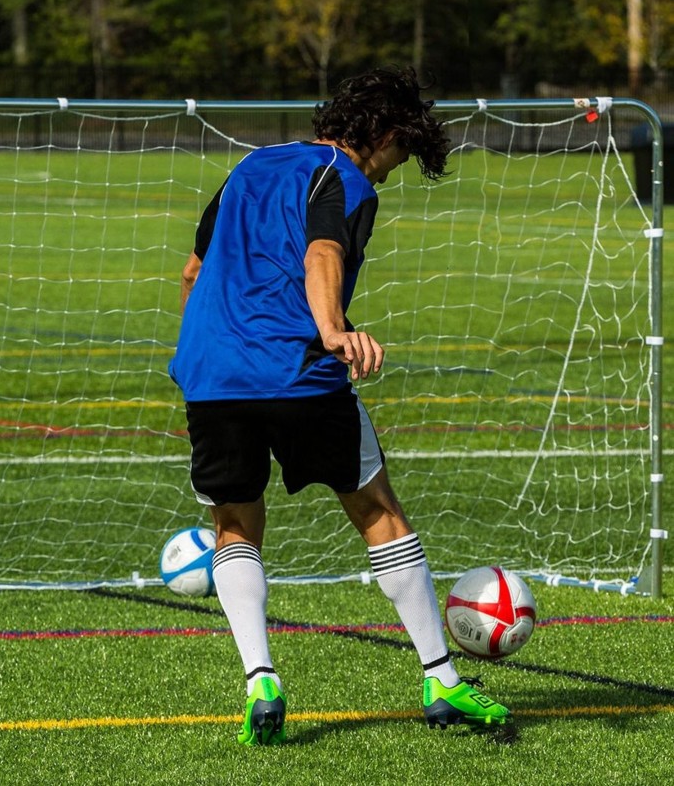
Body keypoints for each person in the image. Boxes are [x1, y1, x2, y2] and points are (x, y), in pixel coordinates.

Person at [168, 67, 510, 746]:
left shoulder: (251, 165)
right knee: (377, 509)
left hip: (212, 375)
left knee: (234, 524)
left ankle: (260, 678)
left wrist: (209, 353)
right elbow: (323, 248)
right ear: (381, 136)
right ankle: (441, 680)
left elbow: (192, 272)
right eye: (400, 155)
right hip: (297, 368)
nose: (391, 172)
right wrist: (331, 330)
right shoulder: (342, 175)